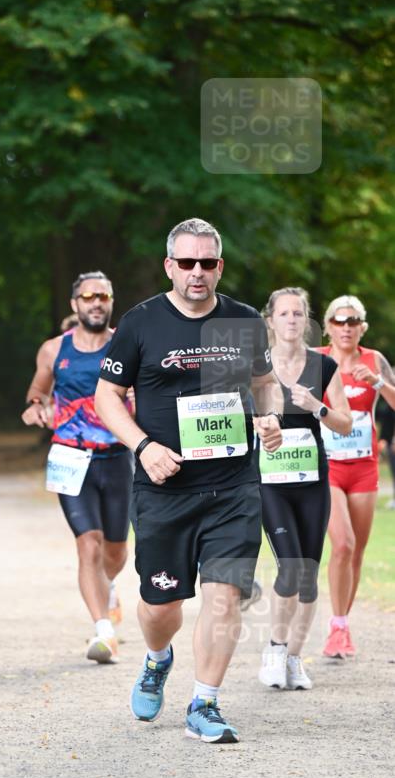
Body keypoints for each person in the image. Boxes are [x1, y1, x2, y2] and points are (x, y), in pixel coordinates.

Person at [95, 217, 283, 743]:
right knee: (160, 608)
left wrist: (269, 417)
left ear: (219, 267)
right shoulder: (141, 323)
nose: (196, 273)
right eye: (186, 263)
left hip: (233, 485)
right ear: (169, 266)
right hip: (164, 488)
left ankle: (205, 704)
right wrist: (143, 446)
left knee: (224, 596)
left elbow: (265, 385)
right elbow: (106, 397)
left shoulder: (245, 321)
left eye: (207, 263)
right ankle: (158, 660)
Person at [22, 271, 134, 664]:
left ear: (111, 301)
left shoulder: (126, 343)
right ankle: (103, 631)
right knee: (88, 543)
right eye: (88, 296)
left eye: (104, 295)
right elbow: (37, 390)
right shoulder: (54, 350)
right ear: (75, 305)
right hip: (70, 457)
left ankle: (108, 586)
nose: (96, 302)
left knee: (117, 548)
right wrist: (37, 407)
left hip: (118, 456)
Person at [257, 289, 351, 691]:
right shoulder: (256, 366)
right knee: (291, 567)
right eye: (284, 313)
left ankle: (295, 658)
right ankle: (276, 649)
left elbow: (345, 422)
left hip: (312, 480)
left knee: (309, 575)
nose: (292, 320)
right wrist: (260, 425)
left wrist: (318, 407)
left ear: (306, 319)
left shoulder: (324, 365)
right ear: (271, 320)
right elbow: (235, 413)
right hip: (271, 481)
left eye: (298, 313)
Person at [316, 295, 395, 659]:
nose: (346, 327)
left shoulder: (373, 360)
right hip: (327, 465)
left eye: (353, 321)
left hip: (363, 467)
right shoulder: (316, 359)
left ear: (361, 326)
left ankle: (342, 624)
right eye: (339, 320)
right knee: (342, 544)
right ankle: (335, 627)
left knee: (358, 551)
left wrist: (378, 382)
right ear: (329, 326)